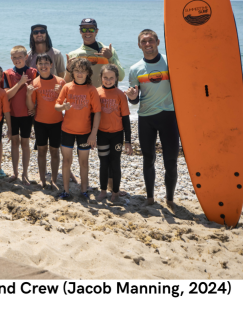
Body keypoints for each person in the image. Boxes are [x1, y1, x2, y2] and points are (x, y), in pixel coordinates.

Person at [125, 29, 180, 209]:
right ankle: (150, 197)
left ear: (157, 42)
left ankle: (170, 198)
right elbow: (134, 100)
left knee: (171, 160)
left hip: (169, 117)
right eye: (144, 41)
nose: (148, 44)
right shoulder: (135, 69)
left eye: (151, 41)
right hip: (146, 119)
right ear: (139, 45)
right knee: (148, 159)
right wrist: (131, 96)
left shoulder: (170, 63)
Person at [55, 57, 101, 201]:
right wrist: (63, 107)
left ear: (88, 73)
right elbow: (57, 106)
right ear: (72, 72)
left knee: (84, 163)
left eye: (83, 71)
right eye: (76, 71)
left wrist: (93, 134)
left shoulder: (91, 90)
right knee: (66, 161)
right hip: (67, 130)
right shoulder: (67, 87)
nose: (79, 74)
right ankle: (66, 191)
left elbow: (97, 112)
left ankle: (84, 190)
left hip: (85, 132)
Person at [26, 54, 64, 188]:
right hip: (40, 122)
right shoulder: (35, 83)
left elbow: (66, 104)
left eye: (46, 63)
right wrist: (29, 94)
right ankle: (42, 179)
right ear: (36, 66)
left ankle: (53, 179)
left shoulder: (60, 81)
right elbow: (31, 107)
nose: (43, 66)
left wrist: (60, 93)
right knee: (41, 151)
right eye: (40, 63)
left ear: (51, 65)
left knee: (55, 151)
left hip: (57, 122)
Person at [97, 64, 133, 202]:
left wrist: (128, 141)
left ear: (116, 78)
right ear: (101, 78)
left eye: (111, 78)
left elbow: (126, 119)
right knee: (103, 163)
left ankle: (116, 192)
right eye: (105, 77)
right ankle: (103, 190)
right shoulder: (96, 92)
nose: (108, 80)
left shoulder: (120, 95)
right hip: (101, 134)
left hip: (117, 135)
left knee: (115, 163)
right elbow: (92, 116)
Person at [3, 47, 38, 184]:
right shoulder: (7, 73)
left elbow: (39, 92)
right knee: (14, 143)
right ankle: (15, 172)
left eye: (20, 57)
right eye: (14, 57)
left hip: (27, 114)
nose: (17, 59)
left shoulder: (34, 72)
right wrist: (20, 83)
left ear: (26, 57)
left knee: (25, 143)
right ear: (11, 59)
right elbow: (7, 96)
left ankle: (25, 173)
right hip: (12, 114)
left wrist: (35, 109)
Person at [65, 18, 124, 89]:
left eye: (91, 29)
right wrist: (68, 70)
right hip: (83, 97)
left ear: (96, 31)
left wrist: (110, 58)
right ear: (80, 31)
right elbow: (67, 84)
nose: (87, 32)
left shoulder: (108, 51)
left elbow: (121, 77)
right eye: (84, 29)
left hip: (105, 97)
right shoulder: (74, 55)